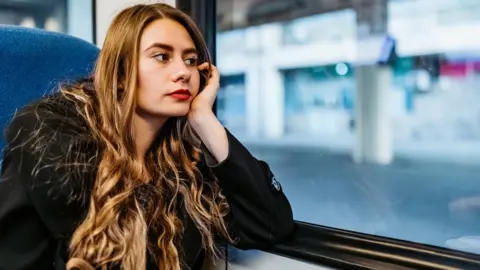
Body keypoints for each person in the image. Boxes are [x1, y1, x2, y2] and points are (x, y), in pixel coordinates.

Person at [0, 3, 294, 270]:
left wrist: (205, 119)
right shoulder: (53, 139)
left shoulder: (183, 161)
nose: (183, 72)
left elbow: (271, 224)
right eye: (162, 56)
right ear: (122, 73)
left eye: (191, 61)